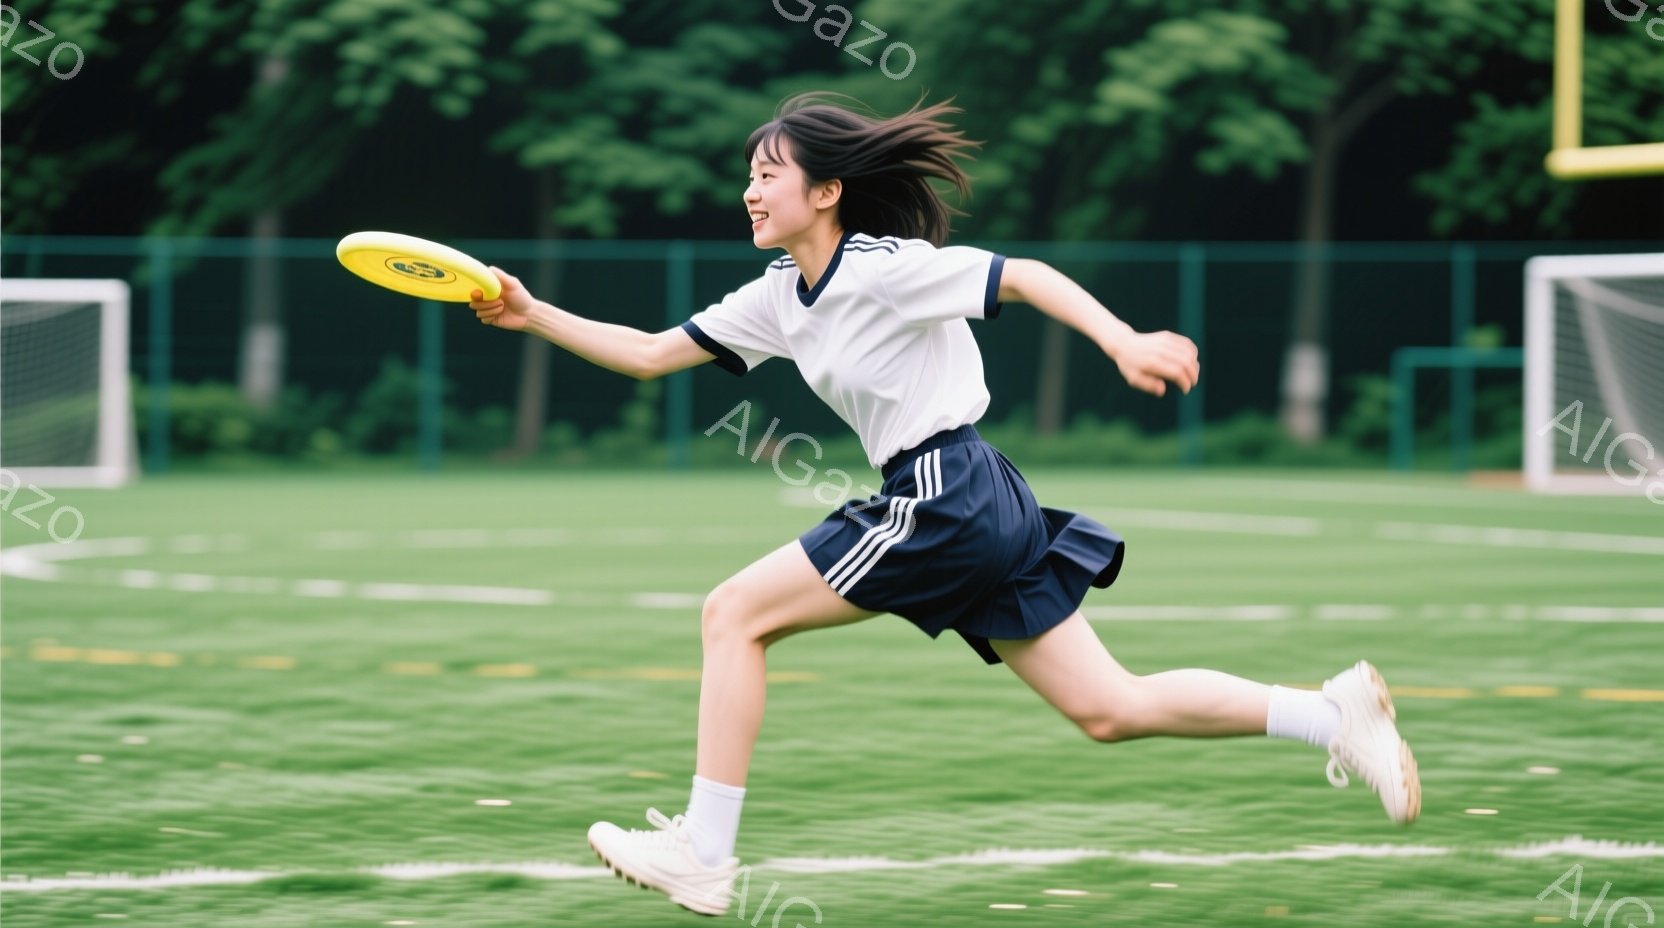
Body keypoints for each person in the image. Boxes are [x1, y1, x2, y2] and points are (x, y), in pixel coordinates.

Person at [468, 93, 1420, 917]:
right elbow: (647, 353)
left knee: (732, 613)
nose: (750, 192)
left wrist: (1123, 339)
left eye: (768, 174)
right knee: (1109, 708)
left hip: (947, 492)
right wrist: (529, 311)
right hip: (972, 497)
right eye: (748, 177)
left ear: (826, 191)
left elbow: (1026, 277)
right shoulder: (779, 295)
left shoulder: (884, 267)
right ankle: (1332, 716)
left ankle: (704, 854)